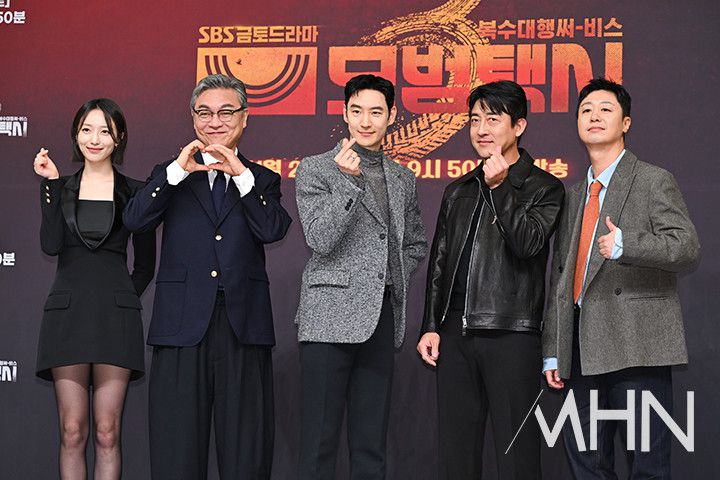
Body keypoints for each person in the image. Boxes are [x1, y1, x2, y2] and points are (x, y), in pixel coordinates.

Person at [123, 73, 291, 479]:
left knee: (246, 454)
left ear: (245, 117)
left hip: (243, 328)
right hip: (181, 327)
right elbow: (135, 220)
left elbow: (272, 229)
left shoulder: (261, 179)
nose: (215, 121)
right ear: (193, 117)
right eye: (204, 112)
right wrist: (175, 174)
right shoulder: (170, 174)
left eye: (226, 112)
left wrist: (241, 177)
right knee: (176, 452)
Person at [542, 78, 700, 478]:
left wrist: (628, 244)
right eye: (586, 110)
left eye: (605, 109)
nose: (594, 116)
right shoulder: (573, 195)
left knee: (648, 465)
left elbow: (685, 247)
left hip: (637, 344)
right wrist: (554, 350)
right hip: (580, 349)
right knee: (587, 465)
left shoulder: (652, 179)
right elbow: (561, 278)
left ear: (626, 122)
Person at [417, 80, 564, 479]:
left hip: (511, 333)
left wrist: (500, 189)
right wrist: (431, 325)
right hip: (455, 335)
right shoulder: (458, 190)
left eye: (493, 119)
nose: (481, 129)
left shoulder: (545, 187)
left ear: (519, 126)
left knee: (517, 456)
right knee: (456, 454)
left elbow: (528, 245)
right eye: (474, 120)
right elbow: (440, 262)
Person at [294, 74, 427, 480]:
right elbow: (320, 238)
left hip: (380, 317)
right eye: (357, 111)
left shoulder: (402, 178)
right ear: (344, 113)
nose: (366, 122)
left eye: (375, 112)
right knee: (318, 443)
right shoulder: (315, 168)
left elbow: (415, 243)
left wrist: (385, 278)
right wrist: (348, 185)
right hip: (327, 320)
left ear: (392, 115)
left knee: (371, 444)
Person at [34, 98, 156, 480]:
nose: (95, 139)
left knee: (107, 432)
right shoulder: (61, 188)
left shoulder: (136, 192)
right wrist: (51, 185)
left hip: (115, 322)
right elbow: (50, 245)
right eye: (87, 129)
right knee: (72, 430)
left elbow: (145, 266)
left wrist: (121, 299)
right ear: (76, 134)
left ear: (119, 138)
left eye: (105, 131)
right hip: (67, 318)